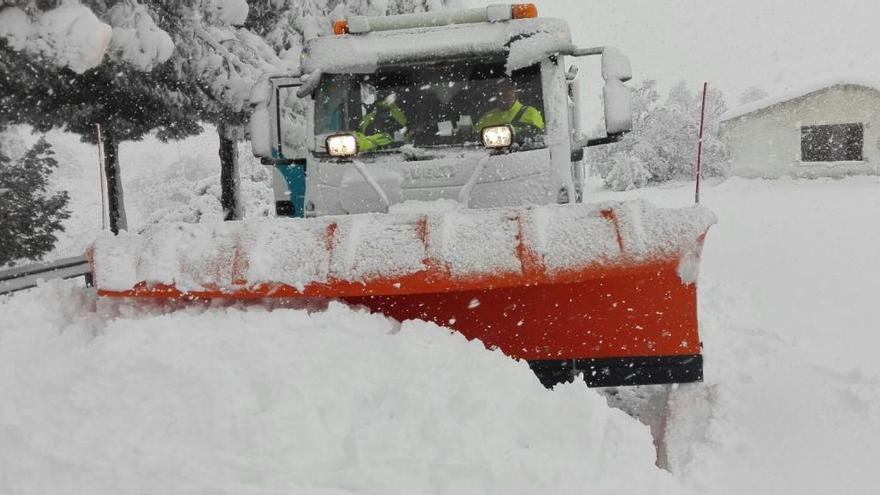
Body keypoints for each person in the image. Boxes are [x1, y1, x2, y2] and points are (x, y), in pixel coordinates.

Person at [475, 79, 544, 142]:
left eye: (507, 93)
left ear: (516, 94)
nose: (502, 96)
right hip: (491, 154)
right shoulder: (488, 116)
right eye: (500, 93)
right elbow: (475, 139)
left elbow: (538, 139)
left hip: (523, 153)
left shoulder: (531, 113)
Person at [354, 85, 409, 152]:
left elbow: (405, 128)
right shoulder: (371, 111)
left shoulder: (391, 109)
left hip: (389, 153)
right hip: (368, 154)